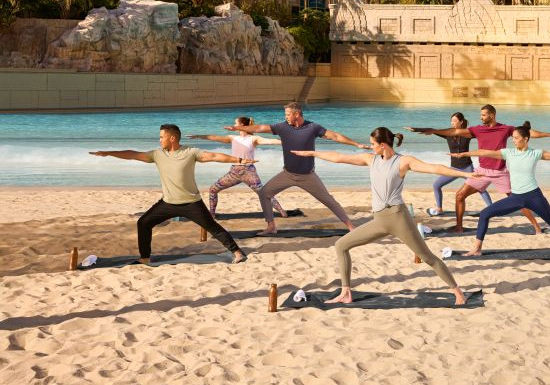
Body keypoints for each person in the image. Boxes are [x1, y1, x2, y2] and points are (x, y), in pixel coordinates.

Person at [292, 127, 480, 306]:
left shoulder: (403, 161)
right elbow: (340, 157)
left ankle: (457, 292)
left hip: (398, 218)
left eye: (373, 143)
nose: (370, 147)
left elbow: (434, 168)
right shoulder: (370, 159)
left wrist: (464, 174)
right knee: (341, 245)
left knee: (428, 257)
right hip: (379, 220)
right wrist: (312, 154)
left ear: (383, 144)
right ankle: (346, 292)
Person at [90, 124, 248, 265]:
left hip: (191, 202)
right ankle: (145, 257)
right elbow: (133, 154)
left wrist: (239, 160)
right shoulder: (157, 155)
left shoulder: (190, 152)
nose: (159, 140)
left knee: (212, 227)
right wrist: (109, 153)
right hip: (167, 203)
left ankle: (238, 253)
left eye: (161, 137)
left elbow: (214, 156)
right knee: (143, 223)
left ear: (172, 138)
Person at [406, 104, 550, 234]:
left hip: (500, 173)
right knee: (460, 195)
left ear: (492, 115)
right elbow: (454, 131)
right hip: (482, 171)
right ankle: (459, 227)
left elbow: (528, 133)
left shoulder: (506, 129)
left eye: (484, 115)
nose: (481, 118)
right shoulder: (477, 130)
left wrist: (548, 134)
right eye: (481, 115)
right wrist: (430, 130)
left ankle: (536, 228)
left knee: (520, 202)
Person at [454, 121, 550, 259]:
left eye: (516, 138)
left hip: (534, 197)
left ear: (525, 139)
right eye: (512, 138)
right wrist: (464, 154)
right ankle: (477, 249)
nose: (513, 141)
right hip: (516, 198)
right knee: (485, 214)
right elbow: (484, 152)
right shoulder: (508, 153)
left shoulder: (536, 153)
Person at [226, 102, 368, 235]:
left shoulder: (313, 127)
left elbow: (335, 136)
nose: (285, 117)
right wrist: (238, 128)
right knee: (264, 194)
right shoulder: (282, 127)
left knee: (329, 201)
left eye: (288, 114)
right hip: (287, 174)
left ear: (297, 114)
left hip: (307, 176)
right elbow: (260, 128)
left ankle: (350, 226)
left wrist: (356, 144)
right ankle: (271, 226)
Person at [191, 116, 287, 218]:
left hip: (248, 173)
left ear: (241, 125)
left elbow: (271, 141)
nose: (234, 125)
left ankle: (282, 211)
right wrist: (199, 136)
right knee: (213, 189)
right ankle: (212, 214)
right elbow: (215, 137)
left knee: (263, 193)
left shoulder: (254, 138)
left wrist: (290, 141)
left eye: (235, 123)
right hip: (234, 173)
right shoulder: (233, 138)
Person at [419, 112, 493, 216]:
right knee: (436, 185)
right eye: (451, 121)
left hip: (467, 168)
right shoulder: (448, 134)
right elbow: (433, 130)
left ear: (461, 122)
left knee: (480, 187)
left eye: (455, 121)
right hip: (453, 169)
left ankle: (491, 208)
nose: (452, 123)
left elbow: (481, 133)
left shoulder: (467, 134)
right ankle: (439, 209)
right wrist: (417, 129)